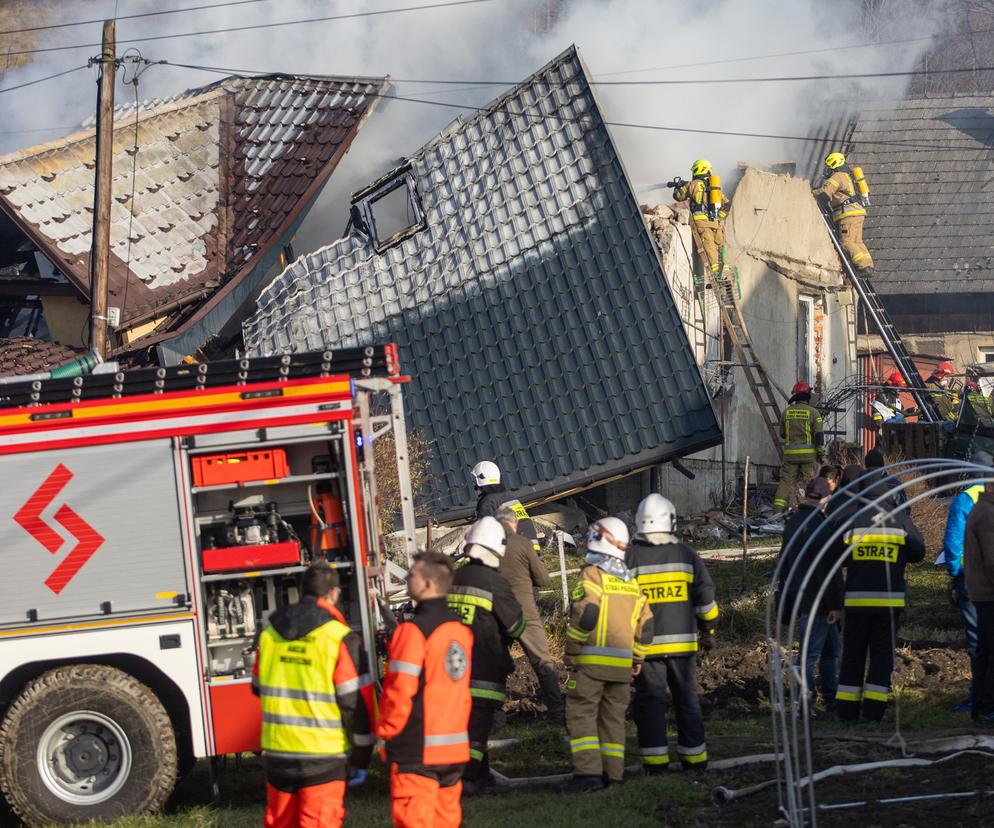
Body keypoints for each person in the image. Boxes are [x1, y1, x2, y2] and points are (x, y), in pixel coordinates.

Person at [253, 564, 375, 828]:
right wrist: (362, 757)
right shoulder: (340, 638)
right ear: (334, 594)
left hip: (278, 754)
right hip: (324, 757)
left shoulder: (270, 632)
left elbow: (257, 686)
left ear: (300, 590)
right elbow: (356, 706)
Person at [378, 552, 473, 828]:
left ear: (428, 584)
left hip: (418, 750)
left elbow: (398, 693)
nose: (407, 578)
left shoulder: (412, 632)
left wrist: (386, 736)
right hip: (454, 749)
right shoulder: (460, 631)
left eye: (412, 574)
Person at [626, 495, 717, 772]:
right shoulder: (686, 555)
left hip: (646, 649)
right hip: (684, 647)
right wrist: (709, 631)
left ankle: (655, 763)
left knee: (650, 704)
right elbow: (706, 599)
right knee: (687, 700)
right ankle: (694, 759)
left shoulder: (630, 558)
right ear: (671, 521)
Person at [563, 517, 653, 793]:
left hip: (591, 664)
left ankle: (588, 775)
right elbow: (647, 626)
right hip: (622, 667)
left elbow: (587, 613)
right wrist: (637, 658)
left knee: (582, 714)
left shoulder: (592, 575)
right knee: (614, 719)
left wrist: (572, 649)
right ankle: (613, 774)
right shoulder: (632, 583)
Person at [832, 475, 926, 722]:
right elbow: (919, 552)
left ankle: (847, 712)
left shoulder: (851, 521)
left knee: (852, 655)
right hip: (889, 603)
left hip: (856, 603)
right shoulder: (900, 519)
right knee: (882, 656)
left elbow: (836, 556)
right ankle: (874, 712)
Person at [447, 516, 526, 795]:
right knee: (477, 733)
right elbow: (517, 625)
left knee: (464, 726)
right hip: (483, 669)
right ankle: (468, 781)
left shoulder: (453, 579)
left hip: (450, 669)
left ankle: (482, 777)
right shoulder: (495, 583)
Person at [494, 503, 565, 721]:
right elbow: (543, 579)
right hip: (525, 611)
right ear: (514, 524)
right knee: (542, 661)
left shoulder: (489, 546)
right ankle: (556, 710)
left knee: (494, 663)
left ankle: (495, 713)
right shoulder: (523, 544)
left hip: (497, 611)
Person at [779, 477, 843, 714]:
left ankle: (831, 697)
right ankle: (803, 702)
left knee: (830, 652)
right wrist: (835, 604)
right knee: (809, 655)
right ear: (826, 497)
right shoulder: (818, 525)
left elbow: (784, 562)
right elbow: (827, 568)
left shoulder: (795, 521)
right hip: (819, 602)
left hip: (803, 597)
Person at [938, 451, 993, 712]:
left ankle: (979, 698)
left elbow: (953, 543)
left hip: (972, 580)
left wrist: (954, 574)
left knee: (978, 641)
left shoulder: (966, 499)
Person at [812, 151, 873, 276]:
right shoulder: (848, 176)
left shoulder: (838, 176)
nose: (827, 170)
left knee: (847, 241)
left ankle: (861, 266)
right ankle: (867, 266)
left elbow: (825, 193)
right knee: (857, 241)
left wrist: (812, 193)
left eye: (829, 167)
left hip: (847, 214)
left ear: (833, 164)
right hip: (858, 212)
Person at [964, 473, 994, 724]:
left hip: (982, 592)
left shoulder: (982, 509)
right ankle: (987, 707)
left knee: (985, 649)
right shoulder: (988, 514)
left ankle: (980, 706)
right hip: (989, 593)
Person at [773, 380, 825, 512]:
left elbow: (783, 433)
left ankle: (777, 511)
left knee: (785, 483)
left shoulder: (786, 412)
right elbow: (819, 436)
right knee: (810, 483)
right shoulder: (814, 413)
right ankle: (812, 511)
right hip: (808, 457)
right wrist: (821, 455)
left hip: (790, 456)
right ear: (808, 395)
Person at [673, 158, 730, 274]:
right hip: (714, 222)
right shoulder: (715, 187)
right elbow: (727, 204)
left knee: (709, 247)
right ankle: (726, 272)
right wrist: (718, 217)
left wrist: (678, 187)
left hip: (701, 222)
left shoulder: (693, 184)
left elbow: (679, 196)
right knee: (719, 245)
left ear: (697, 170)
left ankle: (717, 275)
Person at [472, 460, 540, 552]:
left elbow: (483, 531)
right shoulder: (510, 497)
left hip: (514, 551)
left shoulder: (488, 501)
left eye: (475, 479)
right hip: (532, 548)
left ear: (481, 478)